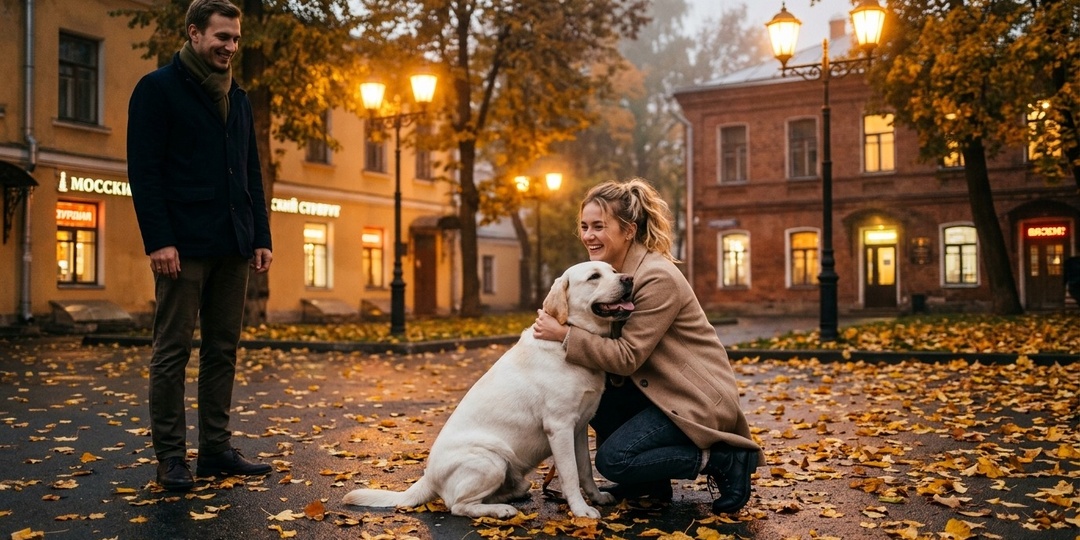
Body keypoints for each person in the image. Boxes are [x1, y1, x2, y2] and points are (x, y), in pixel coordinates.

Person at [533, 178, 763, 514]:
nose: (588, 235)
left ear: (628, 231)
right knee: (590, 392)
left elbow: (627, 357)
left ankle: (724, 458)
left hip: (692, 397)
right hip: (654, 389)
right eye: (584, 226)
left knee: (615, 461)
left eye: (599, 226)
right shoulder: (615, 275)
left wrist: (564, 336)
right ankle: (649, 483)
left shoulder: (656, 277)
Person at [127, 0, 273, 491]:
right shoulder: (157, 89)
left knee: (222, 351)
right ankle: (170, 458)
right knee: (171, 352)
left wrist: (260, 236)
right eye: (221, 37)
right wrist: (159, 240)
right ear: (194, 34)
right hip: (181, 246)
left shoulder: (240, 97)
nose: (230, 47)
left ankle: (215, 450)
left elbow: (251, 170)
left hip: (232, 244)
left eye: (235, 39)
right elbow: (144, 172)